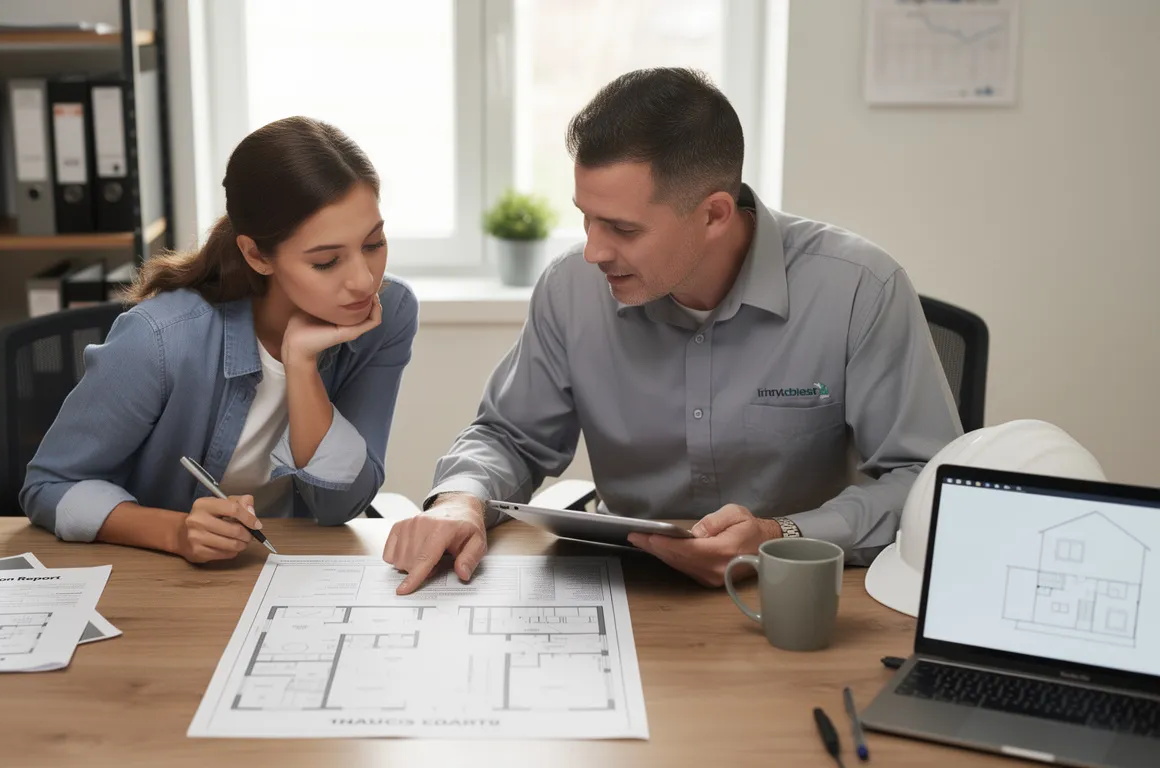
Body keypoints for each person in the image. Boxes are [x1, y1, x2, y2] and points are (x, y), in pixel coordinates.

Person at [383, 68, 962, 593]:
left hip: (792, 591)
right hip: (624, 586)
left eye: (621, 228)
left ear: (714, 214)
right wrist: (460, 501)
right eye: (585, 218)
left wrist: (778, 533)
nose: (592, 251)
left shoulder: (859, 287)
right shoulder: (569, 288)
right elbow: (508, 435)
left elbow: (924, 479)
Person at [22, 116, 418, 564]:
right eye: (326, 262)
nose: (364, 282)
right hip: (162, 582)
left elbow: (339, 507)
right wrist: (177, 532)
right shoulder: (160, 340)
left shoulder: (389, 314)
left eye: (374, 243)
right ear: (256, 255)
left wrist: (302, 366)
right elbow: (48, 486)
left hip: (285, 573)